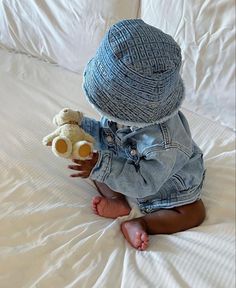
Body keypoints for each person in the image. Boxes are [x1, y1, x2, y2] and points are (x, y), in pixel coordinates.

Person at [68, 19, 206, 251]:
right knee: (93, 162)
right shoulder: (120, 114)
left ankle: (141, 222)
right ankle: (117, 201)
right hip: (127, 162)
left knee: (194, 212)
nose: (105, 113)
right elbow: (106, 135)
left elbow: (145, 184)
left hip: (164, 182)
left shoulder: (164, 144)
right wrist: (82, 126)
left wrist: (104, 166)